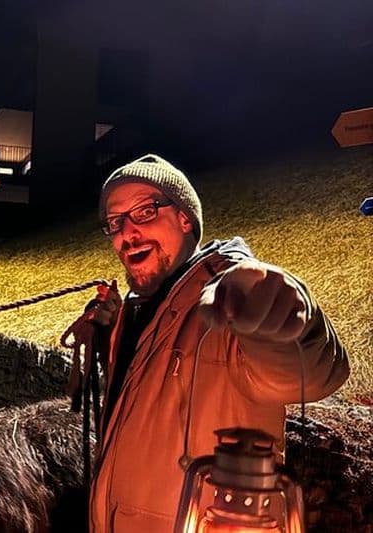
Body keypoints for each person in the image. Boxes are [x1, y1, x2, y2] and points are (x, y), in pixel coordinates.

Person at [86, 153, 349, 532]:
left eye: (145, 211)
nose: (127, 232)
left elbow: (316, 372)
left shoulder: (227, 302)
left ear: (185, 218)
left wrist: (280, 314)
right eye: (115, 222)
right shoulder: (138, 313)